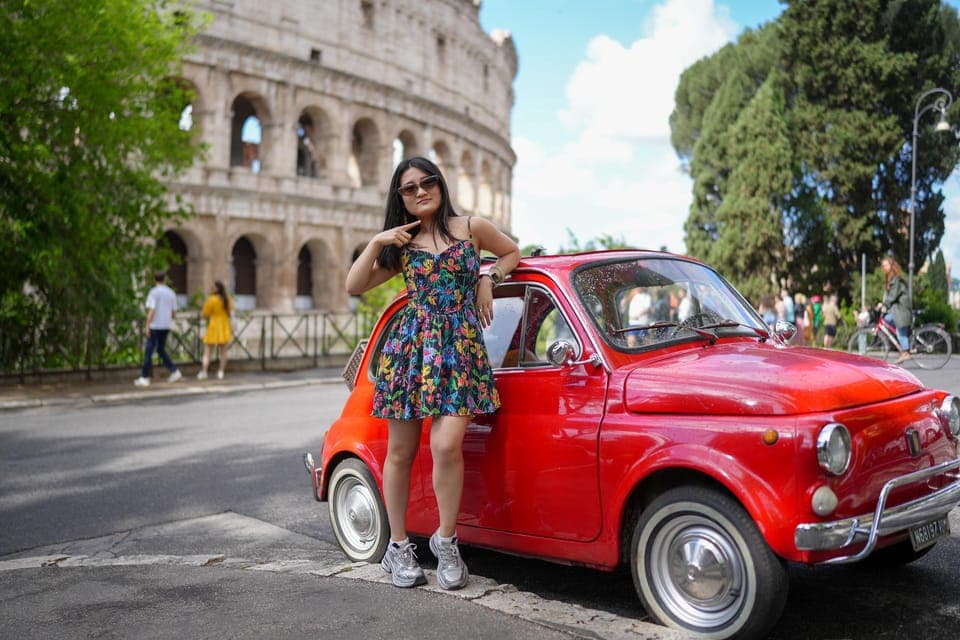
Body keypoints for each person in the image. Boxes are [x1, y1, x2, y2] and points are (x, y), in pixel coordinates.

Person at [345, 156, 520, 591]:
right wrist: (377, 241)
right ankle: (398, 546)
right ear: (400, 198)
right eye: (409, 188)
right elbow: (354, 285)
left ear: (441, 185)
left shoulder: (471, 228)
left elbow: (512, 252)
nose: (421, 191)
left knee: (446, 445)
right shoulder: (401, 244)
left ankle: (446, 541)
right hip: (410, 351)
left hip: (459, 348)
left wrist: (488, 279)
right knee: (400, 453)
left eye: (428, 182)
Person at [134, 272, 182, 387]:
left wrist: (147, 325)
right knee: (160, 349)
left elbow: (152, 310)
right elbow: (174, 312)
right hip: (165, 325)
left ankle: (145, 377)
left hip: (155, 326)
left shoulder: (153, 292)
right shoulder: (171, 293)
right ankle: (174, 371)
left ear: (155, 279)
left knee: (148, 351)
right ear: (165, 279)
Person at [197, 281, 233, 380]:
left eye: (213, 287)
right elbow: (231, 312)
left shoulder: (211, 299)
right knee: (223, 351)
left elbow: (205, 313)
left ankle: (204, 371)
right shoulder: (227, 298)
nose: (211, 288)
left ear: (217, 289)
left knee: (208, 351)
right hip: (224, 325)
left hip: (214, 325)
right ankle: (221, 371)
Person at [880, 255, 912, 363]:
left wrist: (884, 305)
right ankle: (903, 344)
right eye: (883, 266)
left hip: (901, 310)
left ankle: (905, 352)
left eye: (886, 265)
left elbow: (892, 296)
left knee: (898, 329)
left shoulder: (895, 279)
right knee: (888, 320)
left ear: (892, 266)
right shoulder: (891, 278)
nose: (884, 267)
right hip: (898, 310)